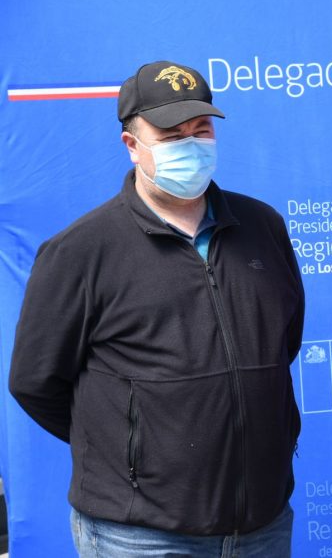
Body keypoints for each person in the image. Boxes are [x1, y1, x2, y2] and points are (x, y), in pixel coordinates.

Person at [9, 60, 305, 556]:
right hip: (139, 534)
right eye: (171, 135)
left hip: (262, 522)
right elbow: (36, 382)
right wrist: (132, 449)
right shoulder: (81, 251)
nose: (191, 145)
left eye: (200, 129)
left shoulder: (263, 226)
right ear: (132, 147)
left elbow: (282, 343)